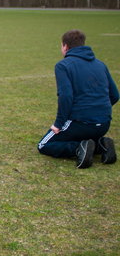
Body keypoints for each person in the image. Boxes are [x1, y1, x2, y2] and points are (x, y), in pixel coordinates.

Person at [38, 30, 119, 168]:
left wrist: (58, 124)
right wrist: (98, 111)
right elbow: (115, 95)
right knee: (85, 136)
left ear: (65, 46)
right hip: (104, 124)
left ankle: (79, 148)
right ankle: (101, 146)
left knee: (44, 144)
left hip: (80, 123)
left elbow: (66, 96)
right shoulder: (100, 64)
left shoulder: (63, 65)